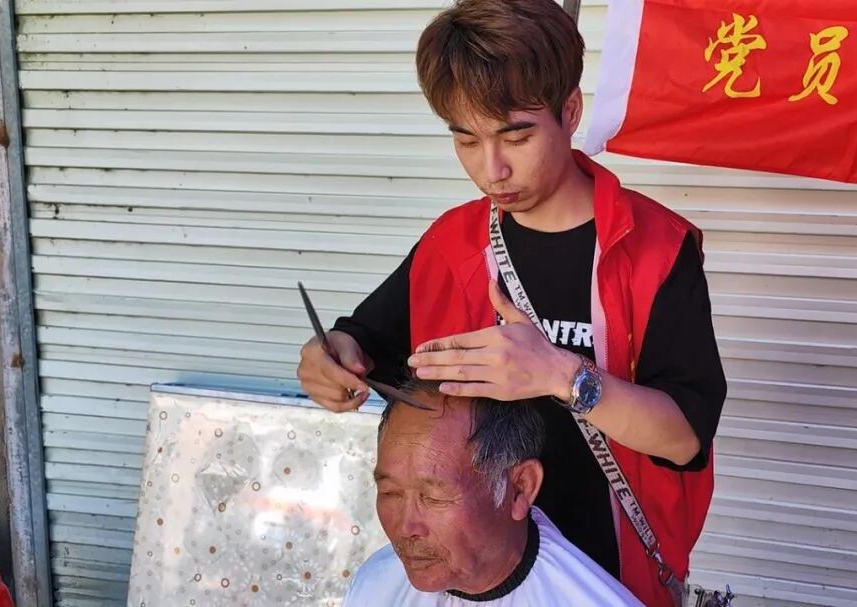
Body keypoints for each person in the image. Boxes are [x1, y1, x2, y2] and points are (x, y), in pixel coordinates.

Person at [298, 1, 728, 605]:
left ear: (570, 112)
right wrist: (332, 356)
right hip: (476, 575)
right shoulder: (453, 243)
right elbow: (364, 342)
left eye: (516, 135)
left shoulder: (655, 249)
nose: (492, 169)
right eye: (466, 139)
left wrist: (560, 375)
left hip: (609, 575)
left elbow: (683, 438)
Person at [346, 379, 642, 606]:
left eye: (434, 497)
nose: (405, 527)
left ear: (520, 488)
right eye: (390, 493)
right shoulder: (374, 583)